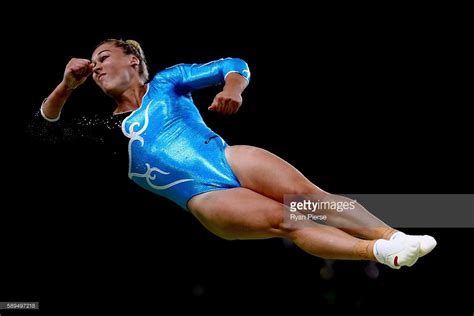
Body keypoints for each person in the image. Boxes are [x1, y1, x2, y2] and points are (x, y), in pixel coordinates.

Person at [40, 39, 436, 269]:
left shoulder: (168, 82)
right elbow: (44, 130)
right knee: (290, 219)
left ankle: (396, 236)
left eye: (103, 57)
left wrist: (233, 90)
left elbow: (234, 65)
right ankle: (380, 252)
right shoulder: (106, 130)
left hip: (225, 155)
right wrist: (66, 86)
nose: (96, 67)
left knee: (307, 196)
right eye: (92, 65)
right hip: (204, 196)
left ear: (133, 59)